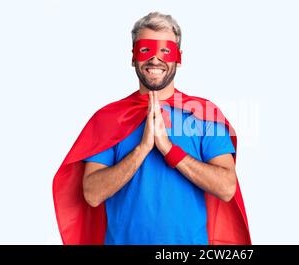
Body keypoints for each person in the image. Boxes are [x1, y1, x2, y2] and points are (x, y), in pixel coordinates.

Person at [52, 12, 250, 245]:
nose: (155, 59)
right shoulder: (107, 118)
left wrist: (168, 149)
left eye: (165, 51)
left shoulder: (205, 113)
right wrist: (143, 148)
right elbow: (92, 194)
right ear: (133, 58)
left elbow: (227, 187)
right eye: (146, 50)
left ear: (179, 58)